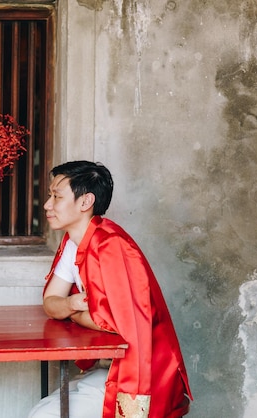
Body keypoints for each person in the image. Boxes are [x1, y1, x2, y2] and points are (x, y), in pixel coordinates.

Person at [28, 161, 192, 418]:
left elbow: (116, 322)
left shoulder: (112, 246)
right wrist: (73, 305)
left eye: (56, 197)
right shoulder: (72, 243)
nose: (48, 204)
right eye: (50, 196)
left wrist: (74, 312)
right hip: (108, 365)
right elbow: (51, 301)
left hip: (143, 374)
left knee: (44, 416)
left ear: (85, 202)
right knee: (41, 410)